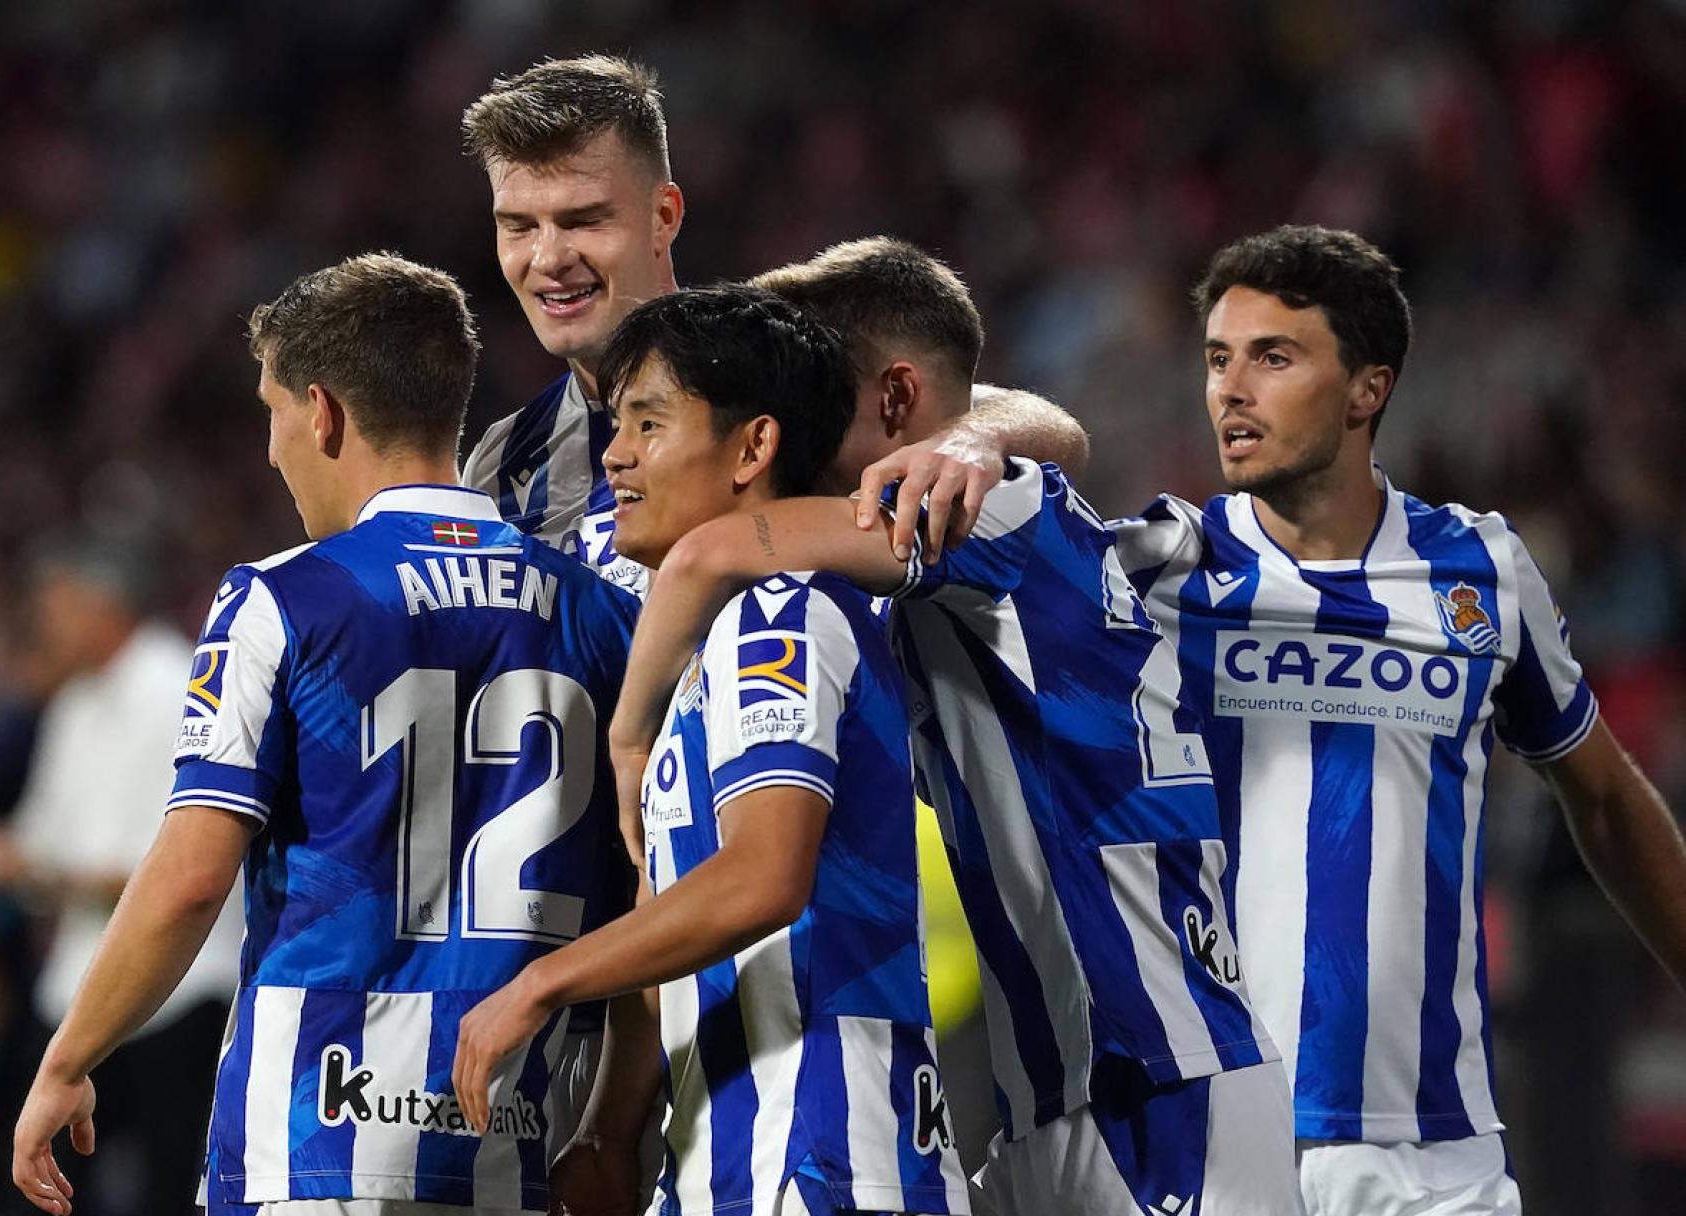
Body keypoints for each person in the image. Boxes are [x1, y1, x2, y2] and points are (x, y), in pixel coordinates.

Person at [591, 239, 1303, 1215]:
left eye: (815, 401)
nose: (793, 432)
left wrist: (630, 730)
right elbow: (1051, 429)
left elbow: (713, 548)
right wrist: (979, 431)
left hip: (1159, 1077)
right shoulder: (965, 531)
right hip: (1049, 1096)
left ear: (892, 402)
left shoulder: (977, 510)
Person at [11, 252, 640, 1216]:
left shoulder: (283, 599)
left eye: (272, 410)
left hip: (314, 1139)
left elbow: (187, 880)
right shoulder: (602, 614)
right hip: (508, 1141)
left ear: (324, 411)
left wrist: (70, 1055)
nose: (270, 449)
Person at [1111, 224, 1686, 1215]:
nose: (1230, 389)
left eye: (1273, 357)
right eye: (1218, 358)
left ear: (1367, 389)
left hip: (1435, 1156)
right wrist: (981, 442)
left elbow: (1600, 797)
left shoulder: (1479, 571)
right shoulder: (1160, 567)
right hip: (1214, 1141)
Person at [452, 286, 970, 1216]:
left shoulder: (784, 615)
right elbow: (675, 901)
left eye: (648, 424)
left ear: (753, 447)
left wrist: (541, 983)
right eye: (616, 424)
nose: (614, 455)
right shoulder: (705, 652)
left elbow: (762, 877)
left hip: (822, 1156)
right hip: (729, 1159)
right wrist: (611, 1129)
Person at [457, 54, 1091, 593]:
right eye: (518, 227)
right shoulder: (504, 462)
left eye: (583, 221)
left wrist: (973, 440)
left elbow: (1046, 433)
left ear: (664, 216)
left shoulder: (768, 364)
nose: (548, 260)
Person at [1, 535, 245, 1216]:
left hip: (181, 992)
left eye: (55, 607)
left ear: (99, 604)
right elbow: (39, 844)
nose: (43, 626)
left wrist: (30, 869)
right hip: (78, 990)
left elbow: (162, 870)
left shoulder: (179, 687)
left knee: (169, 1193)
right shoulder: (75, 705)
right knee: (46, 1194)